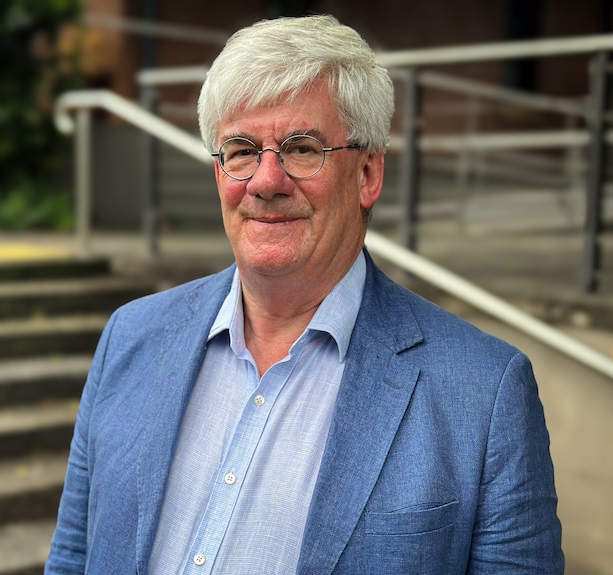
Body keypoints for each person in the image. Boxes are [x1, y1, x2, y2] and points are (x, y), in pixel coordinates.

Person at [45, 14, 563, 575]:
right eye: (241, 150)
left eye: (301, 149)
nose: (266, 181)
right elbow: (74, 557)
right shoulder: (132, 337)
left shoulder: (484, 395)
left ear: (367, 174)